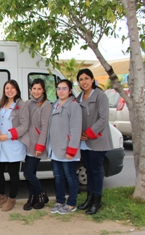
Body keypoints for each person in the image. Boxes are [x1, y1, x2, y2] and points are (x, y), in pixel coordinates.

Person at [76, 69, 113, 215]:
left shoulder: (100, 96)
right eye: (81, 79)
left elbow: (104, 118)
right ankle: (89, 198)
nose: (84, 82)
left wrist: (89, 133)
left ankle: (97, 201)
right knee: (89, 170)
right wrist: (79, 133)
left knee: (96, 171)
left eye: (86, 78)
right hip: (83, 140)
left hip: (97, 139)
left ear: (92, 80)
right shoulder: (79, 97)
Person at [0, 79, 30, 212]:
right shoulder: (0, 104)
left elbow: (24, 126)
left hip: (13, 143)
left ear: (17, 90)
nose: (9, 90)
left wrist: (7, 135)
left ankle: (12, 199)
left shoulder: (21, 105)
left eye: (12, 88)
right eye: (7, 88)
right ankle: (1, 196)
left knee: (13, 173)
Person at [48, 79, 82, 215]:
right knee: (58, 177)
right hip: (55, 148)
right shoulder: (55, 104)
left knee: (70, 176)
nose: (60, 91)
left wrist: (71, 149)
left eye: (64, 88)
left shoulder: (74, 106)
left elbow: (76, 129)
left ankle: (72, 203)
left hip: (67, 149)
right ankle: (59, 201)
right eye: (58, 88)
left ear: (70, 90)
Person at [23, 78, 52, 211]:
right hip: (28, 144)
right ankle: (32, 196)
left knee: (27, 172)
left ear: (43, 90)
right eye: (34, 89)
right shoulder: (27, 103)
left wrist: (41, 145)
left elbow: (45, 127)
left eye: (39, 89)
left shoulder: (46, 105)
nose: (36, 91)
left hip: (37, 145)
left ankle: (41, 194)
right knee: (31, 173)